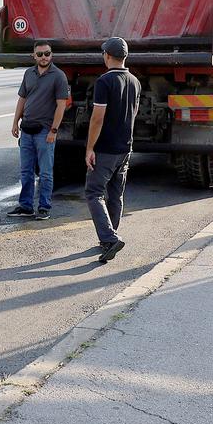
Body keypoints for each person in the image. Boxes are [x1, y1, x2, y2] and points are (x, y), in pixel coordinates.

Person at [84, 36, 138, 263]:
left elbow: (97, 118)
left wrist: (90, 148)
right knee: (116, 195)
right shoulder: (135, 81)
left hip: (105, 149)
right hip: (125, 148)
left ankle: (109, 238)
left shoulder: (104, 82)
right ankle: (110, 237)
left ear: (107, 56)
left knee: (94, 193)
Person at [8, 42, 71, 220]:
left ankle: (44, 207)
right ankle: (26, 206)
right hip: (27, 129)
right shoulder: (29, 73)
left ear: (51, 55)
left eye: (47, 53)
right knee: (26, 171)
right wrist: (15, 122)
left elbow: (61, 105)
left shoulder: (58, 76)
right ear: (34, 56)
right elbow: (22, 99)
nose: (44, 57)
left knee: (45, 172)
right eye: (40, 54)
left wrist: (54, 130)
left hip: (45, 131)